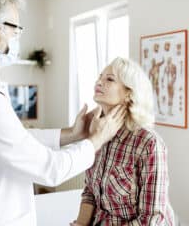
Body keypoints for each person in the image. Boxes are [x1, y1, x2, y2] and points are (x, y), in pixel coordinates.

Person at [0, 0, 126, 226]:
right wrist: (96, 140)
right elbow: (51, 170)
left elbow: (13, 138)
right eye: (15, 30)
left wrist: (71, 134)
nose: (17, 38)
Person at [71, 57, 174, 226]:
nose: (99, 81)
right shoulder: (96, 134)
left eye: (109, 79)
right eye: (100, 76)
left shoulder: (148, 143)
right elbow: (90, 192)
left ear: (129, 94)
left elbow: (151, 219)